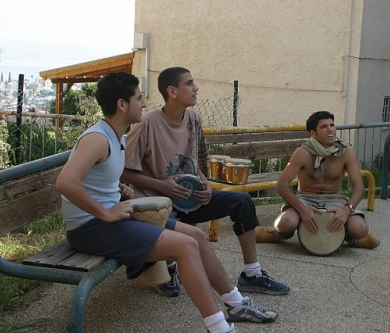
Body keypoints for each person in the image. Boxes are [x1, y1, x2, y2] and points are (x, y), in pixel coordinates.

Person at [56, 72, 278, 333]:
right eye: (139, 98)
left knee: (196, 236)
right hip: (90, 228)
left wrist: (118, 192)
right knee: (185, 246)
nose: (144, 103)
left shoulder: (116, 137)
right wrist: (105, 212)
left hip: (109, 221)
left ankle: (236, 303)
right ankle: (219, 328)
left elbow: (96, 179)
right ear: (122, 104)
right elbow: (65, 182)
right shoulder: (97, 138)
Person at [122, 67, 290, 298]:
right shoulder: (146, 123)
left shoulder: (193, 119)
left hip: (191, 200)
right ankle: (167, 267)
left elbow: (199, 161)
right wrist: (162, 186)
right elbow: (124, 172)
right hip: (160, 207)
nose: (196, 88)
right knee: (173, 224)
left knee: (242, 201)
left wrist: (206, 184)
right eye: (189, 83)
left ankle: (252, 274)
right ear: (172, 91)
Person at [255, 110, 380, 249]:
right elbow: (281, 185)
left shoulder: (346, 151)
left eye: (332, 125)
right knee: (285, 223)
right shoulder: (302, 152)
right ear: (313, 133)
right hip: (305, 198)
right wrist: (302, 210)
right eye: (324, 126)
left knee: (360, 229)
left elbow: (359, 187)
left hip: (335, 199)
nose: (330, 129)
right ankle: (276, 234)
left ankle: (353, 237)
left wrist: (346, 210)